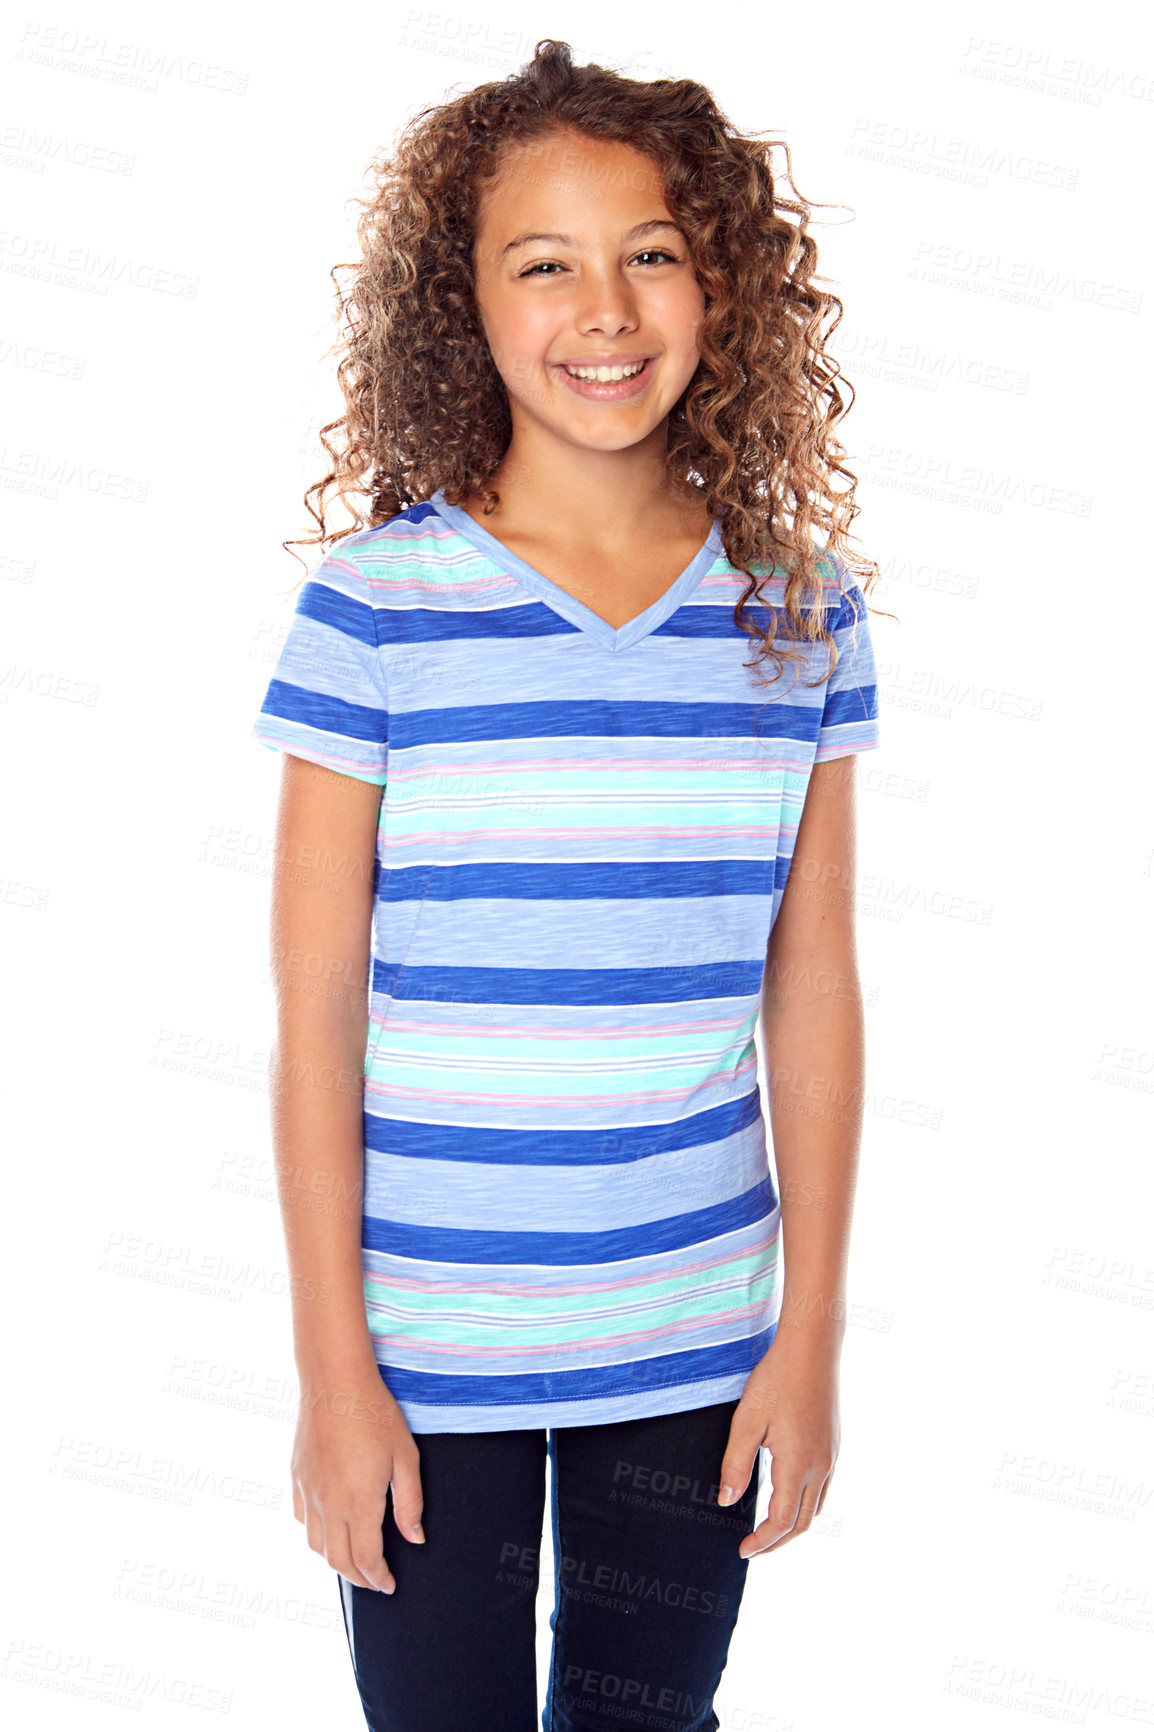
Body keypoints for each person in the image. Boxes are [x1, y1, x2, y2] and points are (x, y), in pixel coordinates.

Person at [251, 38, 885, 1732]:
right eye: (545, 263)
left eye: (651, 255)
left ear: (720, 286)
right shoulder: (379, 610)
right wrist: (334, 1374)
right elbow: (312, 1010)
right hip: (426, 1341)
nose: (604, 309)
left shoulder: (794, 611)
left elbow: (808, 987)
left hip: (694, 1335)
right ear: (464, 304)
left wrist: (805, 1337)